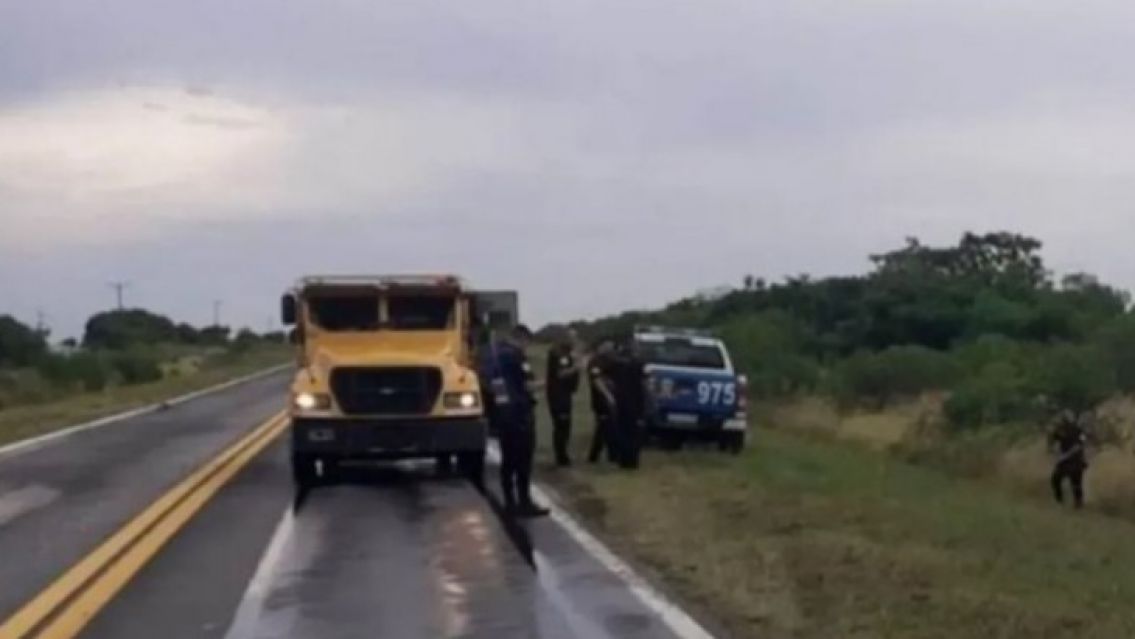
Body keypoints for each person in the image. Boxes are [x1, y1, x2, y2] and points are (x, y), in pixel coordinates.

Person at [491, 324, 549, 517]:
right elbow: (527, 384)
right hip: (520, 413)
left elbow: (497, 388)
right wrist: (546, 384)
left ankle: (509, 502)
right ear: (522, 338)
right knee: (523, 461)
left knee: (508, 461)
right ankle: (524, 501)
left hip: (503, 414)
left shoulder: (496, 356)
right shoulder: (517, 356)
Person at [545, 332, 581, 466]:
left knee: (566, 426)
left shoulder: (567, 354)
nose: (574, 341)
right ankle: (561, 456)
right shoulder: (558, 354)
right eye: (572, 338)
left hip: (565, 394)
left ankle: (563, 453)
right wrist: (575, 367)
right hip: (558, 395)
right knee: (561, 425)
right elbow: (560, 373)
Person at [611, 338, 647, 469]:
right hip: (635, 403)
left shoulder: (617, 364)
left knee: (622, 432)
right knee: (634, 434)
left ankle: (623, 460)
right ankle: (632, 461)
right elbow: (643, 384)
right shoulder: (638, 365)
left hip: (621, 403)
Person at [587, 338, 619, 464]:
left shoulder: (611, 360)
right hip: (600, 399)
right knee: (606, 427)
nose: (610, 348)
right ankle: (611, 455)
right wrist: (608, 395)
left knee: (604, 427)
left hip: (609, 397)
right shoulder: (595, 361)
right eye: (607, 345)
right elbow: (596, 380)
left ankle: (595, 456)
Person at [1049, 410, 1089, 509]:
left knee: (1076, 482)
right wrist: (1054, 451)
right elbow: (1053, 440)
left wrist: (1065, 455)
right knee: (1055, 479)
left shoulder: (1078, 430)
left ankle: (1078, 504)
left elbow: (1079, 445)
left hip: (1076, 460)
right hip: (1064, 460)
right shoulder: (1060, 429)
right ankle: (1060, 501)